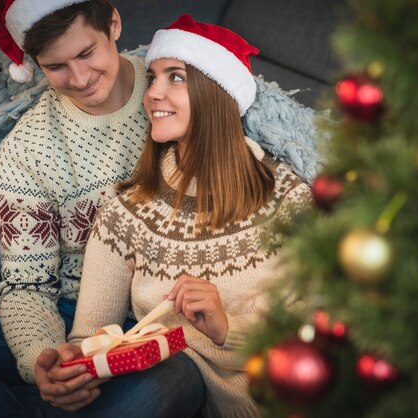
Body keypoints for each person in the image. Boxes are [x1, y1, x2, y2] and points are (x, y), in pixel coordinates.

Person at [0, 1, 204, 417]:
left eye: (85, 53)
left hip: (158, 317)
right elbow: (27, 285)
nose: (79, 78)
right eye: (55, 66)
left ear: (113, 24)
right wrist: (45, 359)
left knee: (173, 382)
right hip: (68, 312)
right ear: (35, 64)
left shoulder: (171, 88)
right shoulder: (26, 152)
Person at [66, 14, 312, 417]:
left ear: (216, 92)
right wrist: (71, 369)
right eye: (153, 76)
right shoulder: (127, 210)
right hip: (169, 387)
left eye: (175, 77)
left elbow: (319, 322)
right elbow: (91, 335)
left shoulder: (288, 198)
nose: (153, 93)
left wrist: (227, 330)